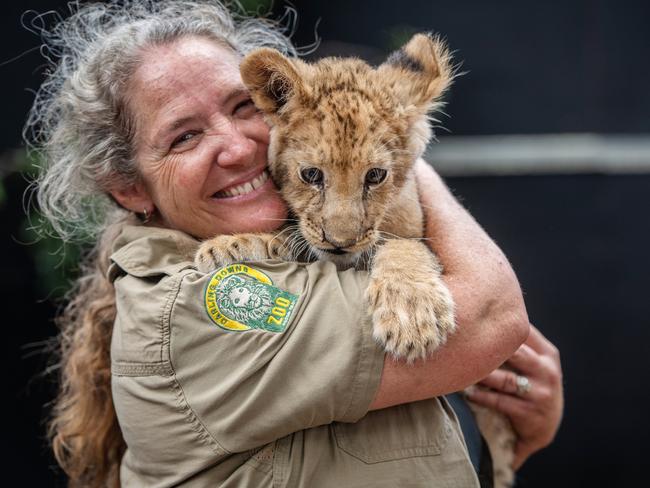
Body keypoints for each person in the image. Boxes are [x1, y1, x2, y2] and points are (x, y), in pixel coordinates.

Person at [26, 1, 562, 487]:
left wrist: (501, 437)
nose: (237, 147)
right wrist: (405, 158)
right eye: (183, 136)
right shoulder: (207, 303)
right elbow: (489, 319)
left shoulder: (293, 229)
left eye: (242, 108)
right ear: (130, 187)